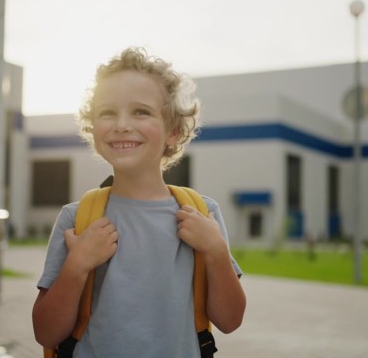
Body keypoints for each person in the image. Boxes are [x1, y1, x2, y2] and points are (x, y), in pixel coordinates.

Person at [32, 47, 246, 358]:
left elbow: (229, 321)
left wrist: (215, 251)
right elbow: (46, 332)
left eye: (140, 112)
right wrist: (76, 266)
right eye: (107, 112)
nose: (121, 124)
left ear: (173, 131)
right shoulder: (77, 220)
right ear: (93, 128)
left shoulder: (203, 215)